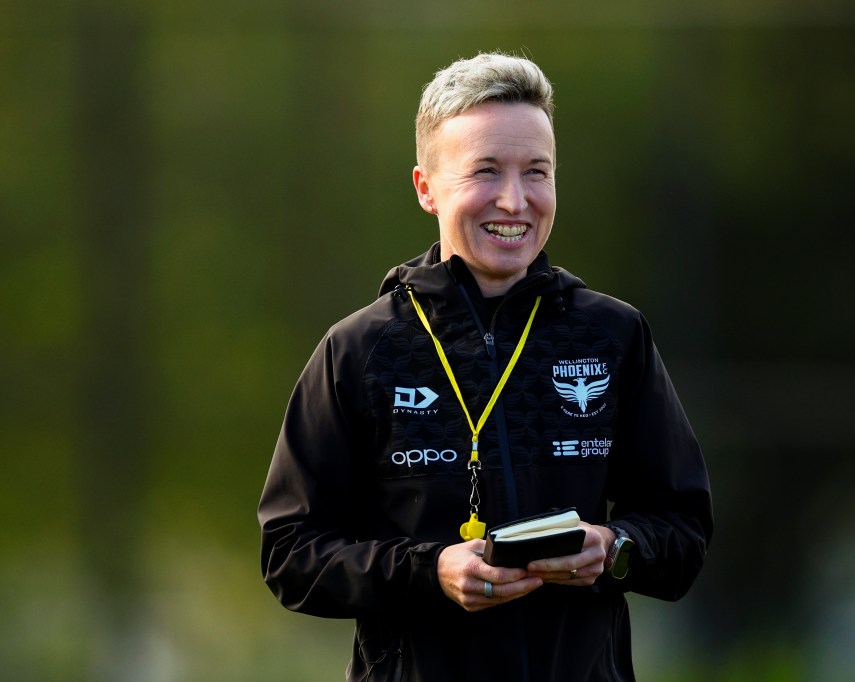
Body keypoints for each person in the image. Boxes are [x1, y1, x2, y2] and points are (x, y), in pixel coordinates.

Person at [258, 51, 712, 681]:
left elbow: (683, 529)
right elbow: (290, 552)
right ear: (426, 188)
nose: (514, 200)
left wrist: (614, 549)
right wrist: (429, 571)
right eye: (485, 171)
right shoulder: (359, 350)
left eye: (537, 172)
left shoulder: (614, 335)